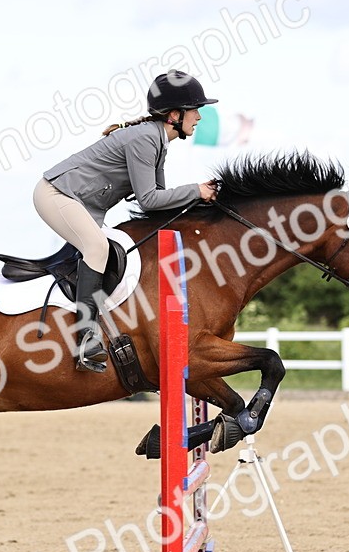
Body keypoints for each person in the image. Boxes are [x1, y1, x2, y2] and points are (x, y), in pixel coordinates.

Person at [35, 70, 220, 372]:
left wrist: (201, 202)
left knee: (104, 249)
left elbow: (158, 202)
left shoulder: (158, 141)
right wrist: (196, 191)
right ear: (175, 115)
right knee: (97, 248)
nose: (199, 117)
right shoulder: (146, 138)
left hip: (74, 200)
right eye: (195, 110)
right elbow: (149, 200)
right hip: (55, 193)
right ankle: (85, 337)